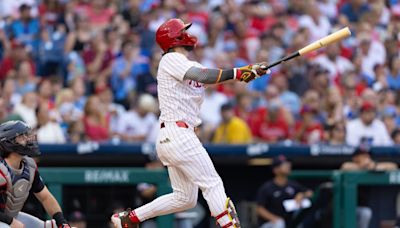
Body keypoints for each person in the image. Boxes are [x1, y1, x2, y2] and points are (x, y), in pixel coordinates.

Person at [111, 18, 270, 228]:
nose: (189, 33)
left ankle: (129, 219)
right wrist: (238, 72)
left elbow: (208, 76)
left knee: (185, 198)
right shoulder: (170, 59)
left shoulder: (188, 63)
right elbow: (201, 75)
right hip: (178, 133)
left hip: (175, 136)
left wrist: (250, 73)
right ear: (175, 37)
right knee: (212, 184)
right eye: (183, 30)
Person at [0, 120, 71, 228]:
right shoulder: (1, 169)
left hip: (10, 216)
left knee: (55, 226)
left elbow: (45, 197)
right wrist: (10, 222)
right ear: (8, 142)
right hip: (5, 220)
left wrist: (62, 222)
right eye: (21, 136)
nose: (27, 139)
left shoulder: (29, 166)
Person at [341, 145, 398, 228]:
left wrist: (374, 166)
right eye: (363, 155)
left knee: (366, 213)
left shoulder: (371, 166)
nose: (366, 158)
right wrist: (363, 166)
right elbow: (345, 166)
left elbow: (393, 166)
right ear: (355, 158)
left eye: (368, 155)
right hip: (341, 207)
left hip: (360, 208)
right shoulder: (350, 165)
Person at [256, 155, 313, 228]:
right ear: (275, 169)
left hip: (288, 222)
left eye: (288, 163)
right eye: (284, 164)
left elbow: (310, 193)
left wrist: (302, 195)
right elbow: (259, 209)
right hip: (269, 224)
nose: (288, 166)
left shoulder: (293, 185)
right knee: (279, 223)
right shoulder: (267, 187)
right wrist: (274, 218)